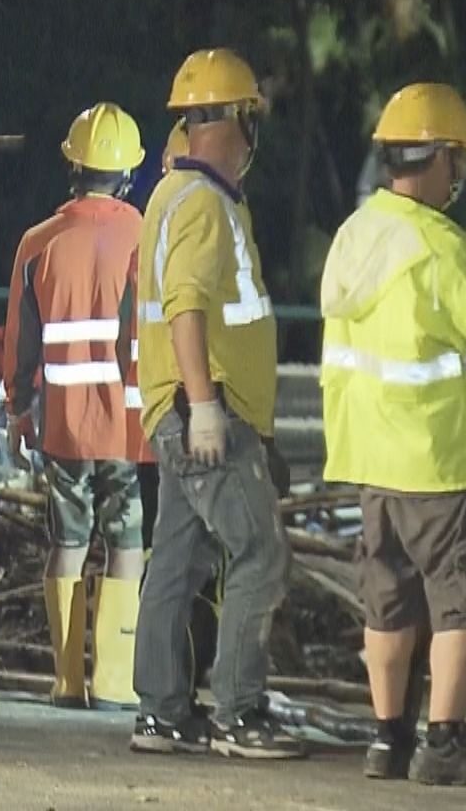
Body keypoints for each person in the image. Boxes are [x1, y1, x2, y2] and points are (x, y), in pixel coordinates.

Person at [319, 83, 466, 786]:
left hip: (371, 457)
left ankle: (388, 739)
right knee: (464, 595)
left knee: (387, 598)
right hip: (439, 459)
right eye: (459, 159)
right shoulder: (443, 247)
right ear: (439, 158)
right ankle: (446, 741)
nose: (461, 175)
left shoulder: (355, 235)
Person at [130, 49, 302, 759]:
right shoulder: (205, 203)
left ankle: (163, 711)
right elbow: (187, 306)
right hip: (207, 416)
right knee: (259, 553)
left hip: (182, 412)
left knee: (177, 560)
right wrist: (205, 406)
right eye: (249, 118)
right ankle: (239, 712)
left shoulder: (170, 195)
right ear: (234, 120)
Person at [3, 102, 151, 709]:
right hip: (129, 425)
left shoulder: (38, 243)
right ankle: (114, 681)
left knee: (67, 541)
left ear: (74, 165)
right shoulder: (144, 235)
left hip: (62, 424)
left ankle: (66, 682)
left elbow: (19, 337)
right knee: (127, 544)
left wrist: (17, 407)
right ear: (126, 174)